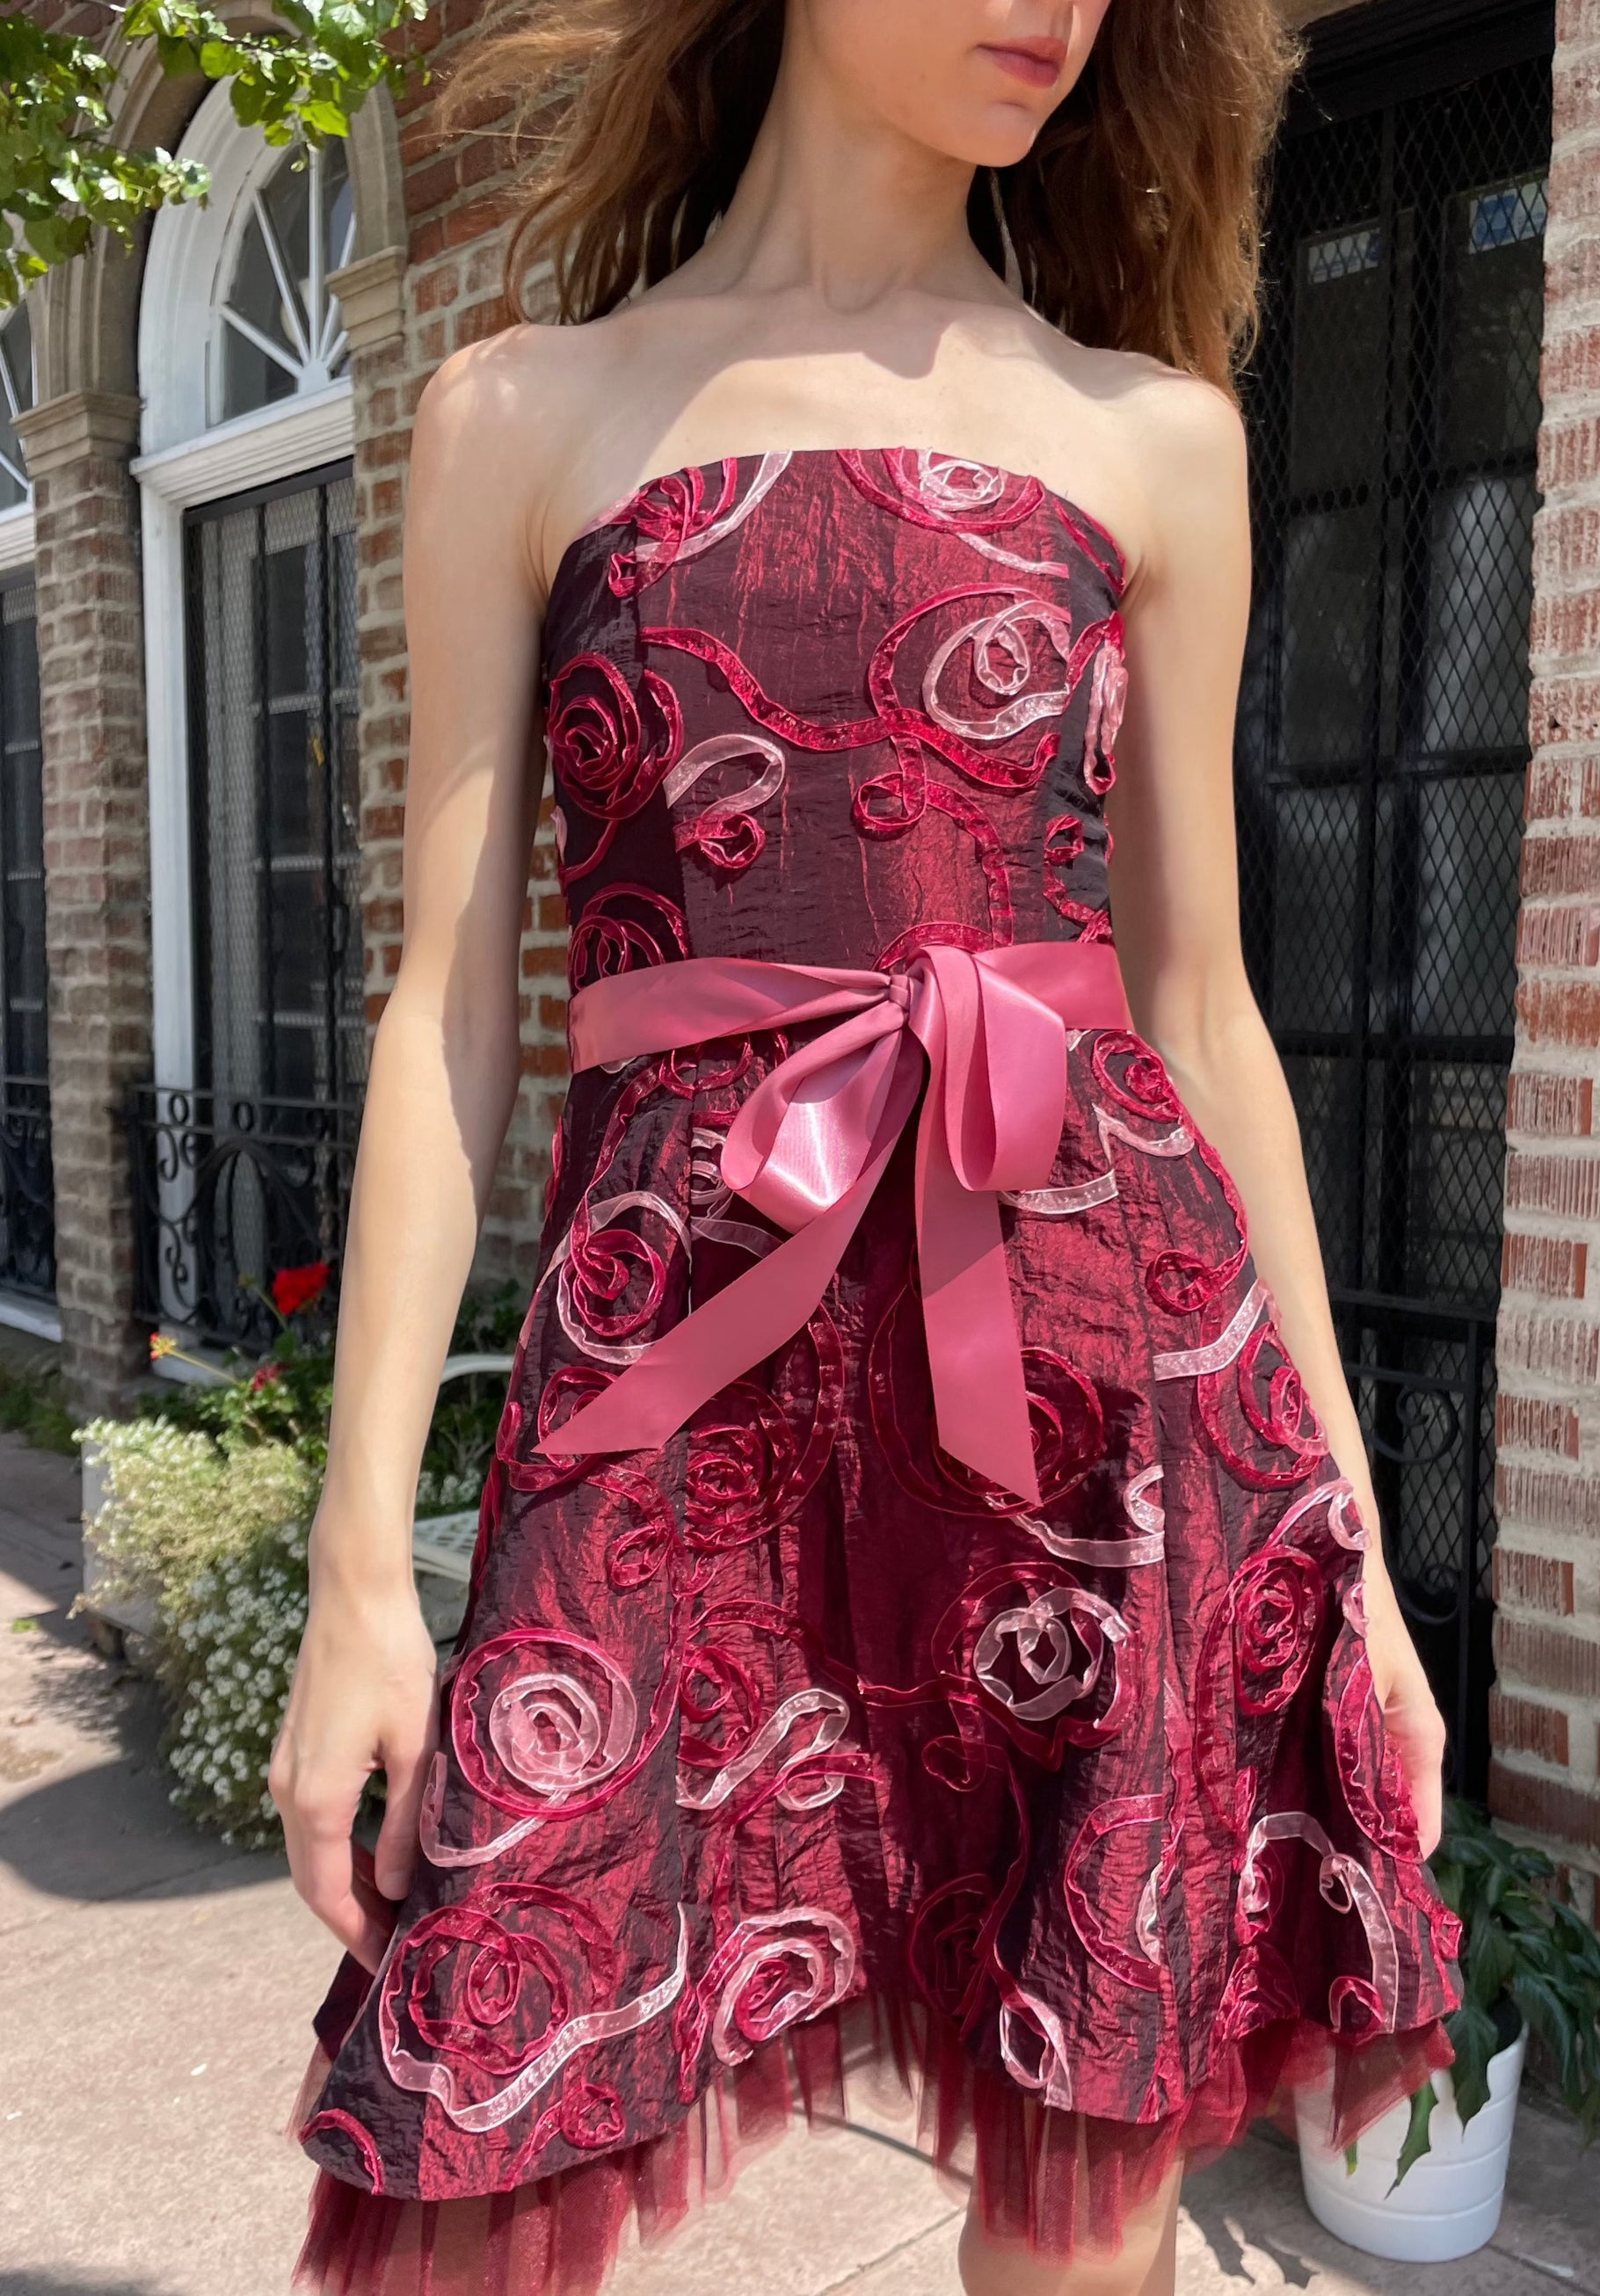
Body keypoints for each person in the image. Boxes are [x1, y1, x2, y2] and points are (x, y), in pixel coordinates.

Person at [271, 5, 1466, 2292]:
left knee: (1081, 2180)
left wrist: (1360, 1556)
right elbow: (446, 1010)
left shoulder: (1156, 439)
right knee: (467, 2161)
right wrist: (356, 1575)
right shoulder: (520, 414)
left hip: (1087, 1382)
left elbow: (1203, 1011)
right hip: (668, 1397)